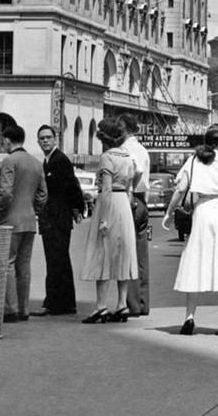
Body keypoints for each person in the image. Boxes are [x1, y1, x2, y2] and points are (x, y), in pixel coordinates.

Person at [162, 124, 218, 336]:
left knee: (195, 261)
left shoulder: (193, 161)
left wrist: (168, 212)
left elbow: (180, 189)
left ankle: (189, 318)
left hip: (203, 211)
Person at [80, 118, 139, 324]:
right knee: (123, 254)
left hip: (110, 203)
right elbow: (132, 185)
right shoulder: (128, 157)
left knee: (102, 253)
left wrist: (104, 218)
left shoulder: (107, 157)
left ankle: (101, 306)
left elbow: (105, 189)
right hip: (124, 203)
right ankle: (122, 304)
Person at [0, 124, 48, 323]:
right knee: (24, 265)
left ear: (7, 140)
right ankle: (24, 309)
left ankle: (10, 309)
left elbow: (5, 193)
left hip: (10, 221)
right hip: (29, 220)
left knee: (7, 264)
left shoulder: (9, 160)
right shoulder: (35, 162)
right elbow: (42, 195)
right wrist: (33, 210)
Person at [32, 124, 84, 317]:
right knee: (57, 260)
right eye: (42, 138)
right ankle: (61, 302)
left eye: (48, 137)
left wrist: (76, 209)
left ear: (55, 139)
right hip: (52, 218)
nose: (45, 141)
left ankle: (56, 303)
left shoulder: (60, 160)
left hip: (57, 219)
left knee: (57, 260)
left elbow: (72, 186)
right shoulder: (48, 161)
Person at [118, 114, 151, 317]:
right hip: (142, 202)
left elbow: (136, 169)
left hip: (129, 199)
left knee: (127, 254)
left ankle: (132, 304)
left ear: (123, 128)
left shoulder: (126, 149)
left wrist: (128, 190)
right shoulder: (142, 149)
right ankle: (142, 301)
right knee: (141, 255)